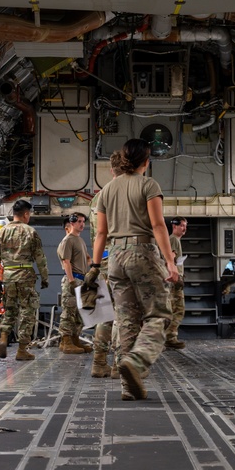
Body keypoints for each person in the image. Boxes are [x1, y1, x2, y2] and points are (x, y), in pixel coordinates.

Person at [89, 138, 179, 400]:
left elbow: (101, 234)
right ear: (146, 162)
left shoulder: (106, 190)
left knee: (126, 319)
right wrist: (170, 262)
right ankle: (136, 363)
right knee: (159, 314)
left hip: (115, 256)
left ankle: (129, 386)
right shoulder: (149, 185)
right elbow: (159, 226)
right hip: (142, 253)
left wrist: (95, 266)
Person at [0, 199, 50, 361]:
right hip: (25, 274)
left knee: (9, 309)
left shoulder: (1, 232)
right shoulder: (30, 232)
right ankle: (22, 349)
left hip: (8, 274)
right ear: (25, 214)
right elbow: (40, 258)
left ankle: (3, 337)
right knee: (27, 311)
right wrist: (45, 278)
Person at [88, 178, 120, 379]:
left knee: (104, 314)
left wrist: (95, 265)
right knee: (124, 314)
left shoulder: (96, 199)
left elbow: (97, 234)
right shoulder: (128, 193)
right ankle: (119, 365)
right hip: (123, 258)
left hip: (103, 261)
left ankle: (99, 363)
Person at [56, 213, 93, 354]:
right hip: (73, 279)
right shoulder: (68, 240)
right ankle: (66, 341)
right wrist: (71, 281)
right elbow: (66, 262)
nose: (82, 224)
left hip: (82, 279)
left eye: (83, 221)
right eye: (78, 221)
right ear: (71, 223)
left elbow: (87, 259)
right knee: (69, 312)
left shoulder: (80, 240)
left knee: (79, 314)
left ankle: (75, 339)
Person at [165, 216, 188, 349]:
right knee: (178, 309)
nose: (184, 228)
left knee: (173, 310)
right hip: (173, 281)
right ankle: (170, 337)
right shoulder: (174, 239)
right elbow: (172, 258)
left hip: (173, 280)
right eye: (182, 226)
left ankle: (169, 336)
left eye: (185, 226)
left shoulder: (174, 239)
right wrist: (177, 277)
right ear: (174, 226)